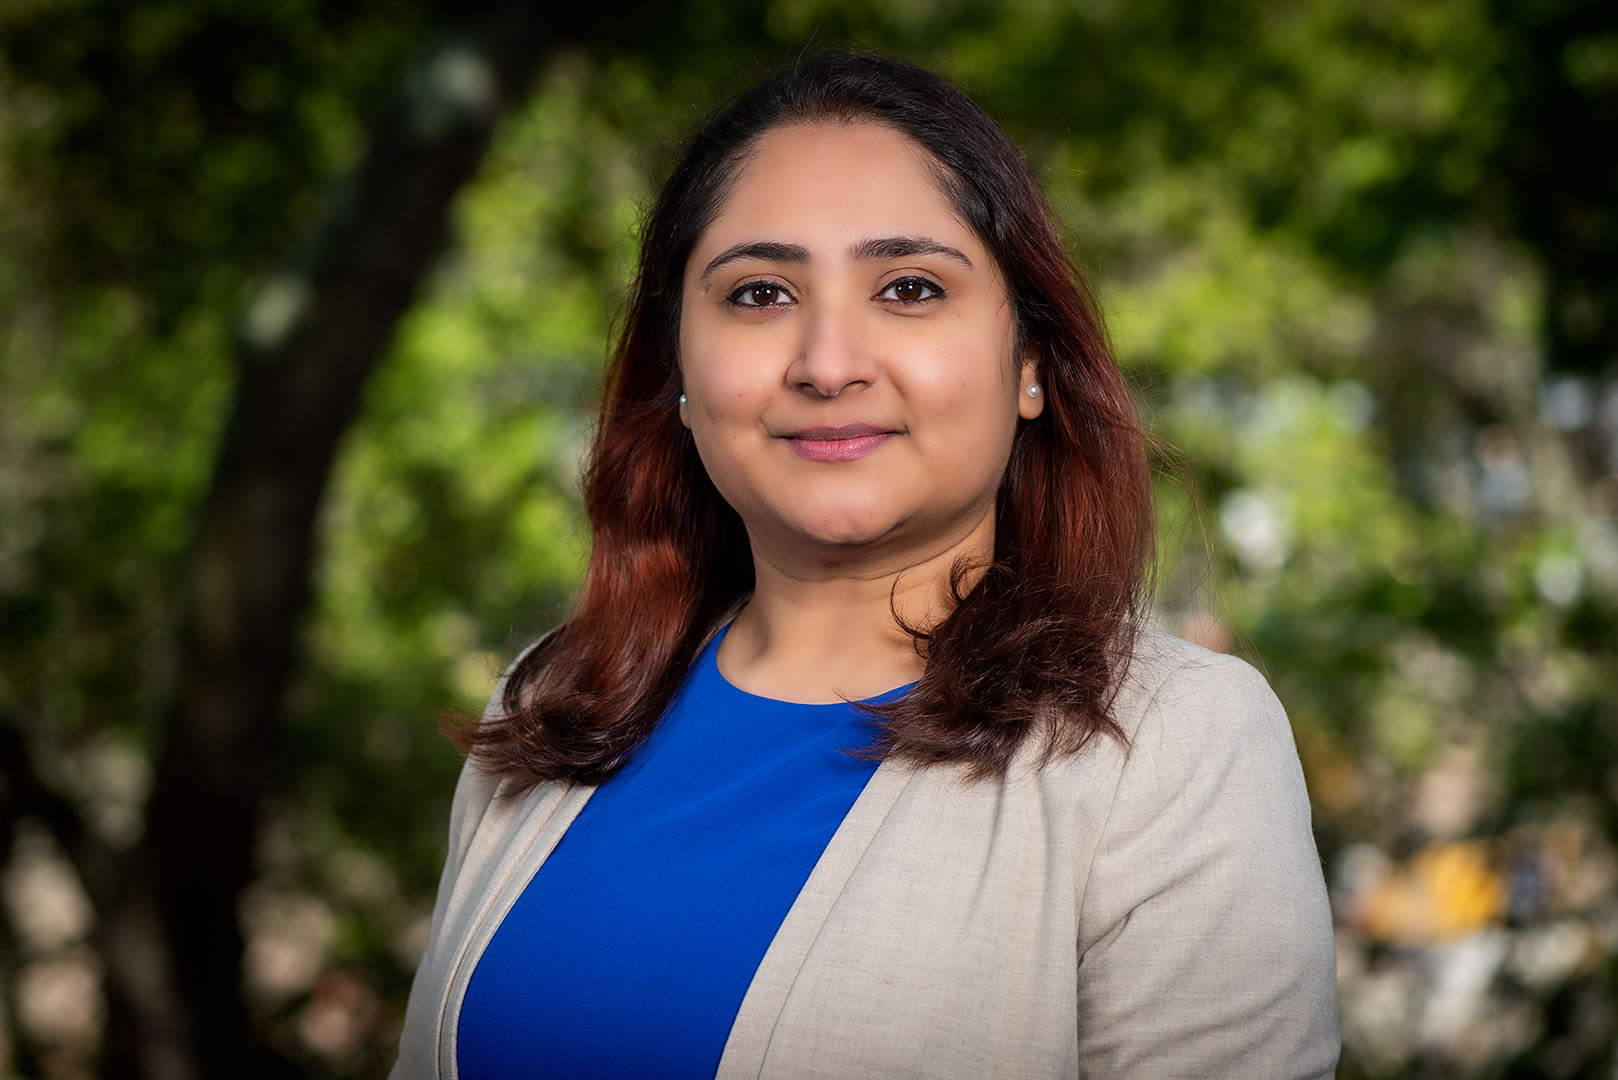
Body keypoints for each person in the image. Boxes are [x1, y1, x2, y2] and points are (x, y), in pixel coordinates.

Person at [392, 51, 1339, 1079]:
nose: (829, 362)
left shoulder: (1166, 744)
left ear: (1028, 365)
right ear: (677, 370)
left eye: (909, 287)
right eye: (758, 294)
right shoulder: (549, 701)